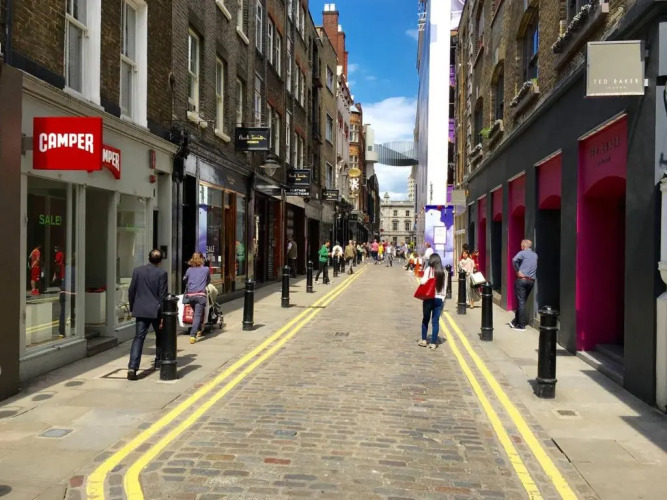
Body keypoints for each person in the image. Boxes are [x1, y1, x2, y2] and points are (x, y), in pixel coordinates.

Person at [127, 249, 168, 380]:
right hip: (156, 310)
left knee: (138, 338)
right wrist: (163, 315)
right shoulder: (162, 273)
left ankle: (132, 367)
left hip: (141, 309)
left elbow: (131, 290)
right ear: (160, 261)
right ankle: (159, 361)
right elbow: (162, 295)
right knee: (160, 336)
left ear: (148, 258)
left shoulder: (138, 271)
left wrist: (133, 307)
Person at [418, 253, 446, 350]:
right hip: (439, 299)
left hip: (429, 297)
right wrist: (443, 299)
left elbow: (422, 282)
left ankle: (424, 340)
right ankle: (433, 343)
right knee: (435, 321)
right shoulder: (443, 271)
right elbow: (445, 287)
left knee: (426, 319)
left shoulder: (428, 270)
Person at [510, 239, 538, 331]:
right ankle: (515, 321)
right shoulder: (535, 255)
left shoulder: (522, 253)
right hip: (531, 281)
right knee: (522, 301)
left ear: (524, 246)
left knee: (521, 302)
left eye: (521, 246)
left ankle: (521, 325)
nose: (521, 247)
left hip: (522, 280)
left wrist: (518, 271)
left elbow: (514, 260)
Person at [183, 252, 211, 343]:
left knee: (196, 314)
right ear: (202, 259)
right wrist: (202, 285)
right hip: (200, 295)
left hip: (191, 295)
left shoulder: (189, 270)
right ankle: (193, 335)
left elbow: (185, 279)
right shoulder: (206, 269)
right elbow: (208, 280)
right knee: (198, 315)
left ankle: (198, 330)